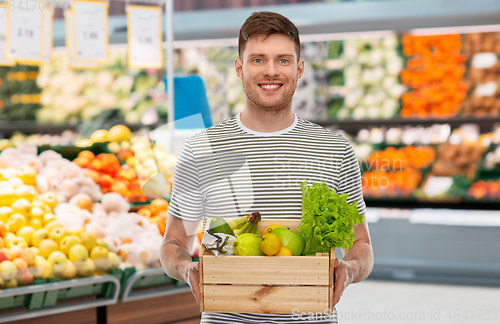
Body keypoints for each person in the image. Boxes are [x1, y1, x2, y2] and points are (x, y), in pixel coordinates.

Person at [160, 11, 374, 324]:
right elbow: (174, 241)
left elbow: (362, 245)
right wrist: (186, 268)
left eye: (283, 60)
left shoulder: (334, 150)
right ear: (239, 68)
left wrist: (350, 269)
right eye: (258, 60)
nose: (271, 71)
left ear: (299, 69)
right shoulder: (200, 149)